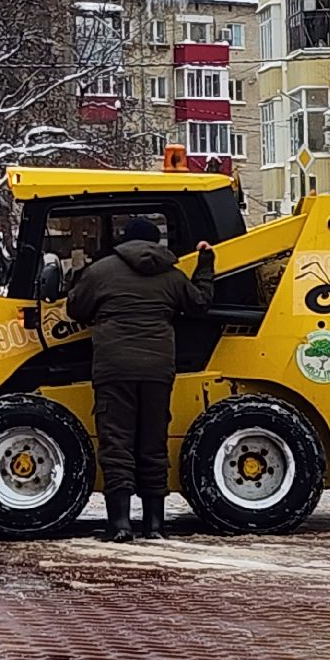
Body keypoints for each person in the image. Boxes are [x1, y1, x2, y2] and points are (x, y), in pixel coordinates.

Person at [65, 218, 214, 543]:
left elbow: (75, 309)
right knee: (152, 442)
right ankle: (155, 526)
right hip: (157, 369)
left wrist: (79, 275)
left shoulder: (102, 271)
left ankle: (119, 525)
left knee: (117, 442)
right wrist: (205, 263)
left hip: (114, 367)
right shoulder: (172, 275)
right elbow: (200, 303)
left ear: (124, 240)